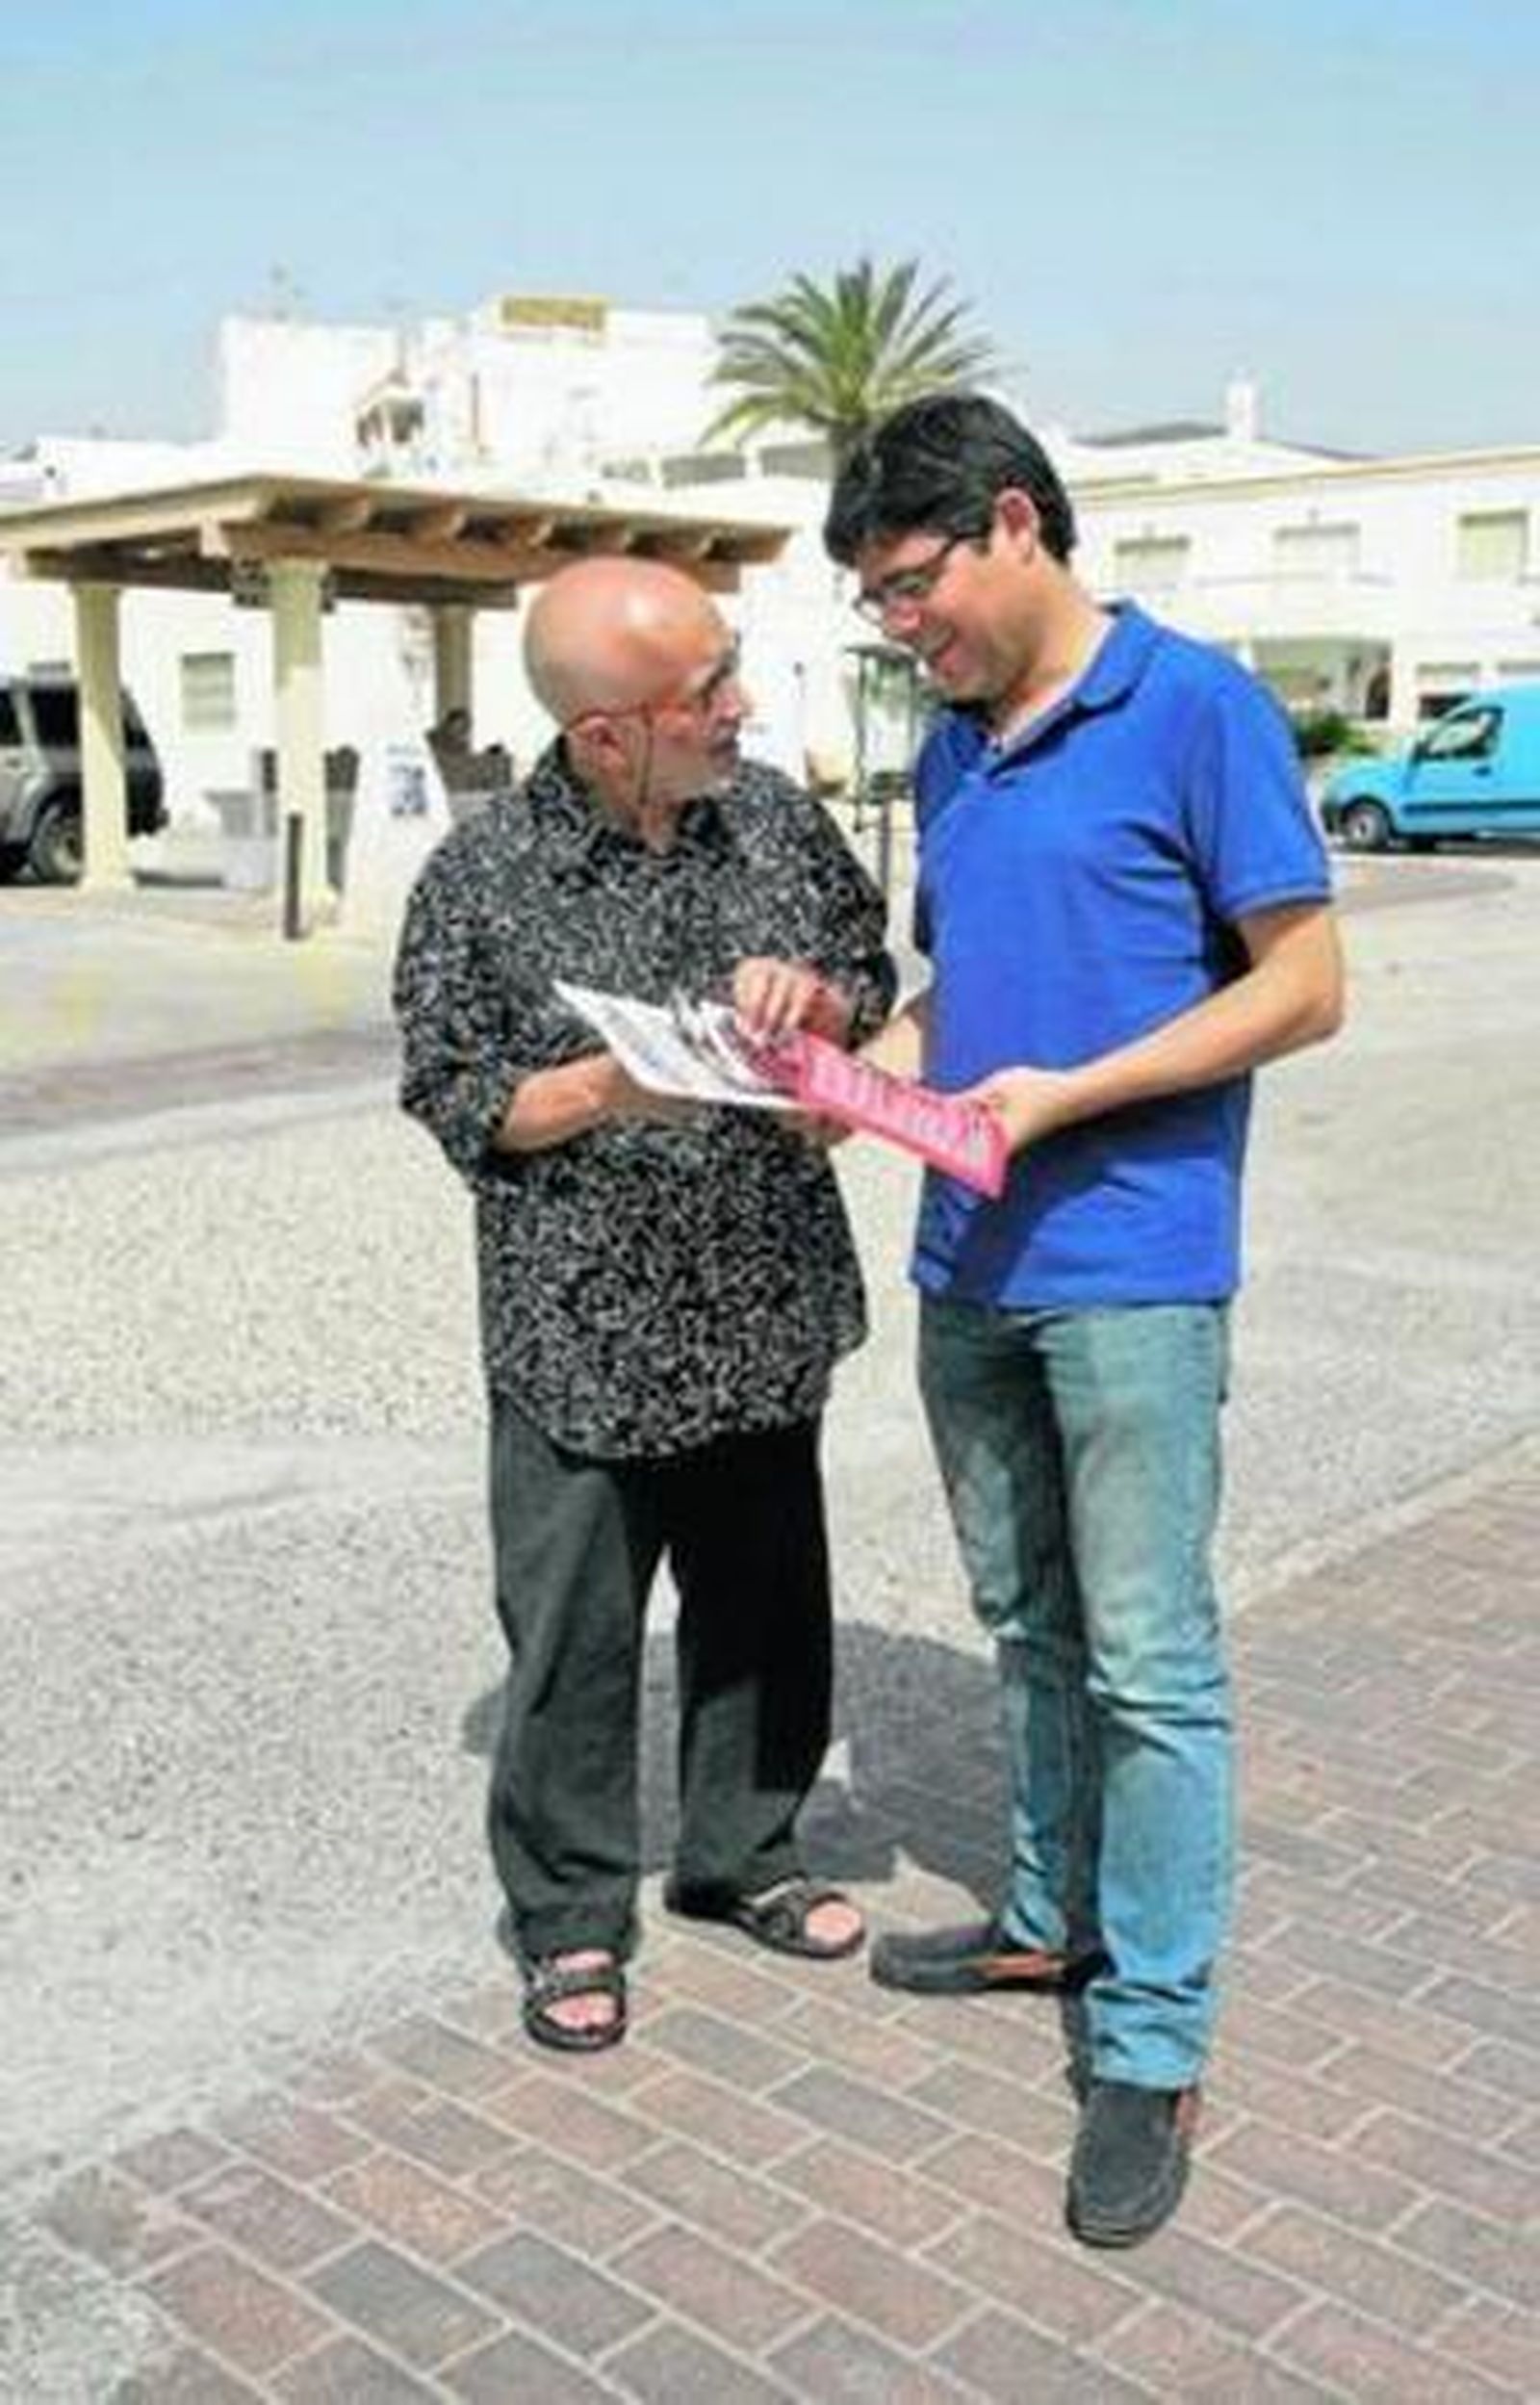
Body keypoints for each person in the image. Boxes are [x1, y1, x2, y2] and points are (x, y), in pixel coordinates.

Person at [823, 395, 1344, 2245]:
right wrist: (848, 1074)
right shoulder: (958, 752)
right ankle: (1051, 1917)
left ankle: (1153, 2032)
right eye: (876, 605)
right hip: (968, 1270)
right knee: (1024, 1616)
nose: (901, 631)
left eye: (910, 587)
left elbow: (1304, 986)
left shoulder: (1195, 709)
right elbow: (963, 1000)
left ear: (1015, 525)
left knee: (1149, 1661)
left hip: (1128, 1266)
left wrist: (1068, 1096)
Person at [394, 556, 895, 2054]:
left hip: (760, 1299)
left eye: (734, 673)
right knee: (573, 1640)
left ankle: (743, 1852)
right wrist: (614, 1086)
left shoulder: (780, 825)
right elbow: (456, 1094)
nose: (742, 708)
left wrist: (821, 1006)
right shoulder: (480, 884)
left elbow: (867, 972)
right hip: (579, 1332)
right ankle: (568, 1916)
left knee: (762, 1610)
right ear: (607, 732)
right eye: (708, 694)